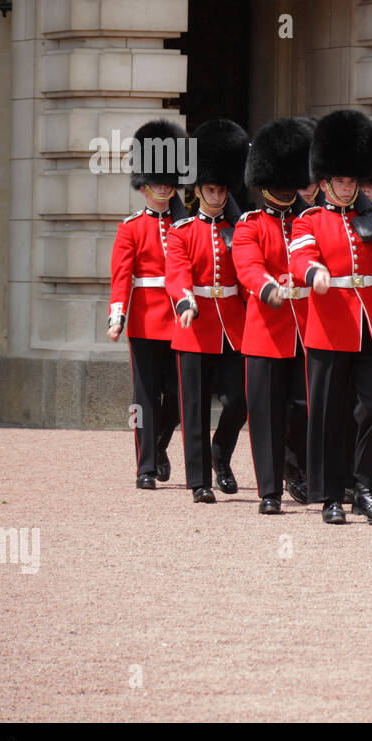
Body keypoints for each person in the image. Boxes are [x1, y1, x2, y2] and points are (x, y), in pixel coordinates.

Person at [289, 110, 372, 524]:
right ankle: (330, 496)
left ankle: (364, 487)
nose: (348, 188)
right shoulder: (310, 219)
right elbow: (301, 256)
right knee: (329, 415)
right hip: (329, 330)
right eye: (341, 182)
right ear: (325, 182)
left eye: (352, 181)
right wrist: (315, 273)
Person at [165, 119, 250, 504]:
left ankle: (221, 455)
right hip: (195, 325)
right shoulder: (181, 232)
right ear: (197, 190)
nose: (216, 196)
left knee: (239, 399)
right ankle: (198, 480)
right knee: (194, 408)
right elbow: (176, 273)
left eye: (221, 189)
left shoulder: (240, 229)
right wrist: (185, 301)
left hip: (234, 325)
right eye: (210, 189)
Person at [233, 117, 313, 515]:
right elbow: (247, 265)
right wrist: (267, 288)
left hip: (307, 327)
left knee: (303, 405)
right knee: (265, 413)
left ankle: (295, 470)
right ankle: (269, 490)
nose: (284, 187)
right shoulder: (250, 224)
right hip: (266, 328)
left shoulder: (309, 220)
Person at [108, 119, 189, 489]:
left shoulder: (186, 224)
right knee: (144, 397)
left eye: (168, 180)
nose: (163, 186)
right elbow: (122, 276)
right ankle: (145, 467)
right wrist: (117, 317)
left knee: (177, 395)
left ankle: (159, 445)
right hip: (143, 320)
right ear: (144, 186)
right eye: (156, 181)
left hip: (179, 320)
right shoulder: (131, 227)